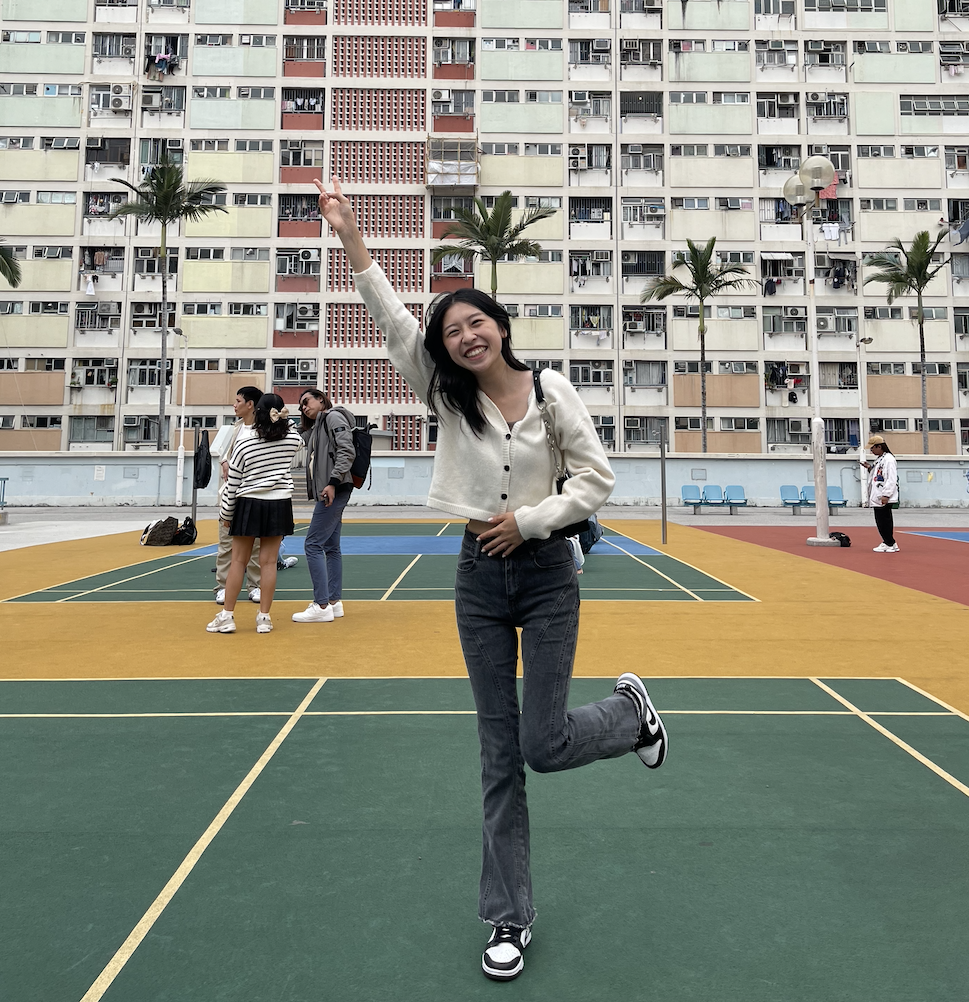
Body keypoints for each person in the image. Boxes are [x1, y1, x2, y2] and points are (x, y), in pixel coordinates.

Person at [315, 178, 668, 983]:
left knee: (543, 745)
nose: (465, 335)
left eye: (476, 321)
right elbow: (388, 315)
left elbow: (596, 478)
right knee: (497, 755)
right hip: (477, 580)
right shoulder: (445, 396)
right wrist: (350, 236)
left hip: (546, 576)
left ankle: (627, 714)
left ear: (501, 326)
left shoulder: (553, 392)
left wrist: (535, 522)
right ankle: (507, 919)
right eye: (452, 330)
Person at [207, 394, 303, 634]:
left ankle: (227, 616)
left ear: (258, 412)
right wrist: (283, 420)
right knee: (268, 563)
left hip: (249, 502)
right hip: (280, 503)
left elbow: (233, 483)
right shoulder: (291, 439)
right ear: (282, 413)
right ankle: (264, 618)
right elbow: (295, 433)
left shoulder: (245, 443)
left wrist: (226, 514)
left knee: (238, 561)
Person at [292, 388, 356, 624]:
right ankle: (333, 602)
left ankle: (321, 605)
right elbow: (302, 440)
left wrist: (332, 482)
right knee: (330, 546)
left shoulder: (333, 417)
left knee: (312, 544)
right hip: (334, 487)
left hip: (335, 487)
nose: (304, 407)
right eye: (301, 406)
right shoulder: (318, 427)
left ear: (321, 399)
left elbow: (346, 450)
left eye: (307, 401)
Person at [213, 386, 263, 605]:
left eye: (238, 400)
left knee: (257, 544)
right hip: (231, 495)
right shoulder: (234, 429)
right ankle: (223, 587)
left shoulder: (265, 431)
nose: (234, 405)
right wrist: (224, 461)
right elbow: (220, 451)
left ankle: (256, 586)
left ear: (250, 404)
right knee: (226, 543)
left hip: (254, 494)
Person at [861, 437, 900, 551]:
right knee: (881, 520)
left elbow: (891, 478)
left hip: (883, 494)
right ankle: (889, 542)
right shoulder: (880, 459)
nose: (871, 451)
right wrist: (869, 468)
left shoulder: (889, 459)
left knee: (883, 520)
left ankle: (889, 542)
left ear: (879, 446)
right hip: (878, 494)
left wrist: (886, 494)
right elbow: (878, 475)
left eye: (872, 448)